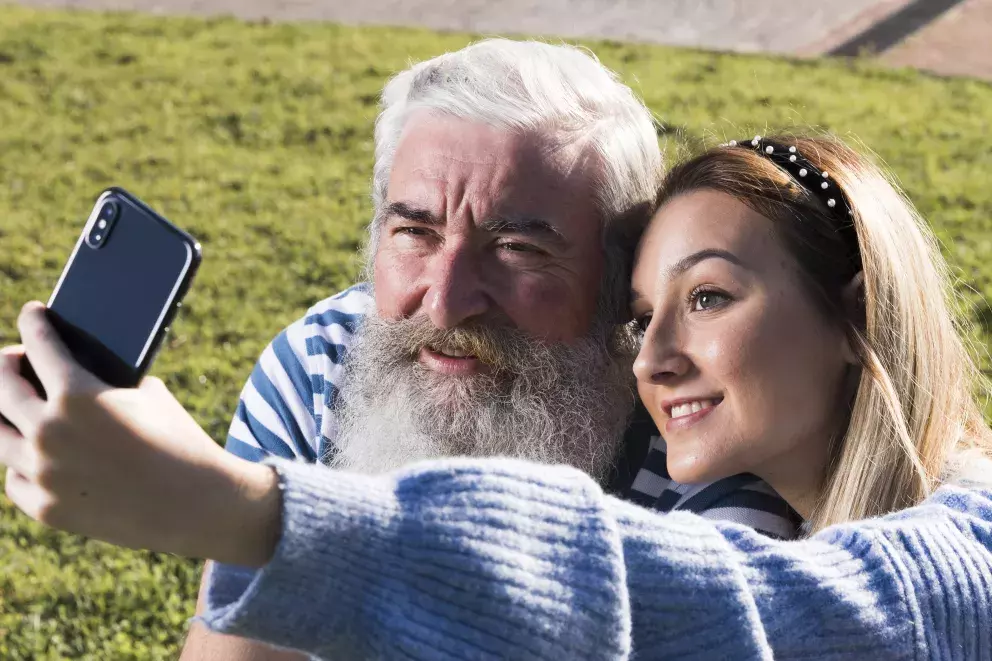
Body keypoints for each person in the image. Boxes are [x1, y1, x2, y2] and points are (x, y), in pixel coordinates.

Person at [2, 132, 991, 659]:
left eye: (707, 297)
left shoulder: (966, 549)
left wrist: (242, 510)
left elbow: (699, 607)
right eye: (638, 315)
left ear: (854, 315)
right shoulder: (780, 504)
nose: (652, 358)